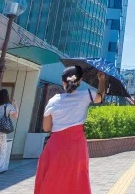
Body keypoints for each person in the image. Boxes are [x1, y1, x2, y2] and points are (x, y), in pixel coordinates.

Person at [34, 66, 107, 194]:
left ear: (63, 82)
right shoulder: (86, 95)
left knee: (52, 179)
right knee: (76, 179)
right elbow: (100, 96)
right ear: (79, 82)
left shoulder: (53, 100)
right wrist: (101, 80)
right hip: (76, 146)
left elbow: (46, 128)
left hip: (55, 146)